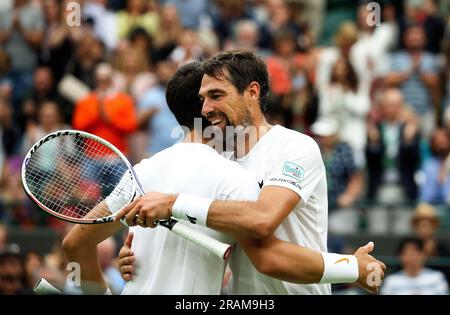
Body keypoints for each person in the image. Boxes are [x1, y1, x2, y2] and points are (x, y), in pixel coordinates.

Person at [64, 61, 384, 295]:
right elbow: (260, 254)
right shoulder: (225, 167)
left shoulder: (294, 147)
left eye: (216, 95)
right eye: (203, 99)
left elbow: (262, 230)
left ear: (252, 93)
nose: (207, 108)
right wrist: (137, 256)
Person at [381, 237, 448, 295]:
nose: (412, 257)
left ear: (423, 255)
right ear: (400, 256)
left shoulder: (437, 278)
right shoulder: (391, 281)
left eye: (415, 252)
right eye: (407, 253)